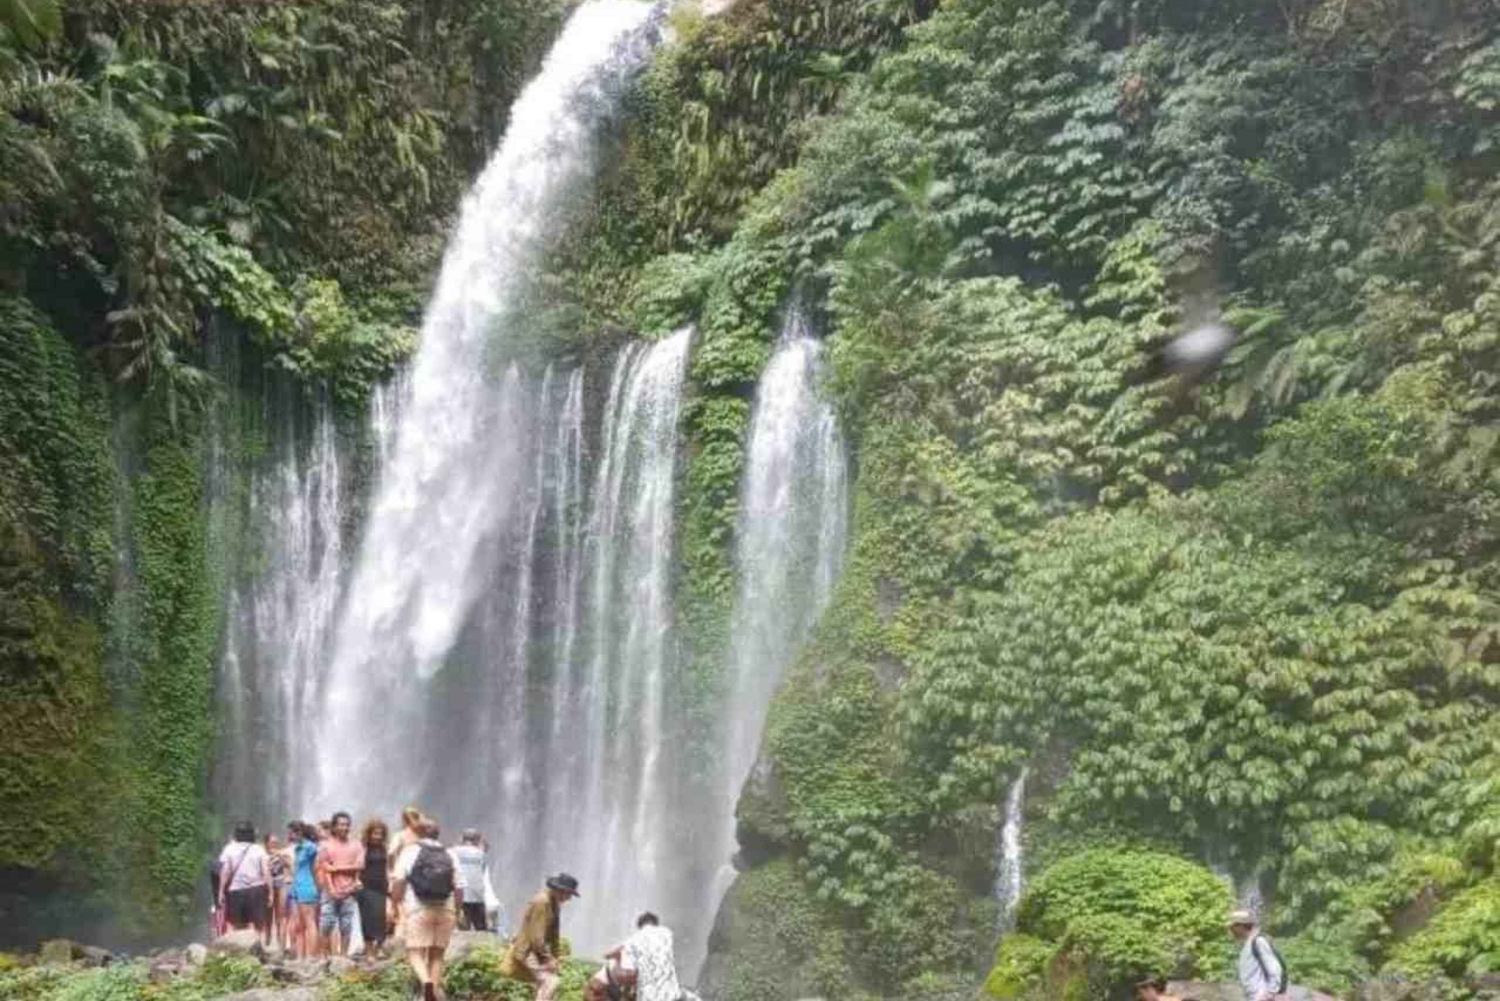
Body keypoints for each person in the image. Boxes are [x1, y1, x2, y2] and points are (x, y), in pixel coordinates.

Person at [392, 817, 458, 1001]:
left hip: (418, 909)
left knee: (414, 951)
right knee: (437, 954)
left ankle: (426, 982)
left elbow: (398, 880)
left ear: (419, 833)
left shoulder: (410, 851)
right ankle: (433, 991)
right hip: (445, 909)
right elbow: (460, 886)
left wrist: (396, 903)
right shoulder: (450, 854)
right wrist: (457, 911)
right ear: (438, 834)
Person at [504, 873, 580, 1001]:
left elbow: (555, 934)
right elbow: (536, 936)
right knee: (552, 982)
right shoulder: (542, 902)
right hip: (528, 950)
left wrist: (556, 957)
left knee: (547, 984)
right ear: (560, 890)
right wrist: (548, 958)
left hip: (537, 951)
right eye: (569, 894)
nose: (569, 898)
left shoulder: (554, 903)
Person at [317, 811, 365, 957]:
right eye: (341, 824)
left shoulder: (356, 845)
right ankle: (326, 957)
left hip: (349, 891)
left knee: (346, 926)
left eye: (347, 825)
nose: (345, 827)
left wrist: (337, 867)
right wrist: (331, 890)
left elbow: (360, 865)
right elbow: (325, 868)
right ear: (334, 826)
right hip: (330, 892)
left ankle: (343, 957)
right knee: (326, 925)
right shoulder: (326, 845)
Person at [217, 821, 272, 935]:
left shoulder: (229, 849)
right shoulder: (258, 849)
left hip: (236, 890)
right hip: (256, 889)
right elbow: (266, 872)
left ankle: (239, 948)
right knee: (257, 922)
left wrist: (221, 891)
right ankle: (257, 946)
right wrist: (271, 892)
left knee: (236, 922)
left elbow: (225, 872)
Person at [1229, 910, 1287, 1001]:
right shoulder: (1249, 943)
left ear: (1240, 925)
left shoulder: (1258, 941)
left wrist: (1269, 994)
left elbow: (1275, 969)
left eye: (1232, 926)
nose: (1230, 929)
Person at [359, 818, 392, 958]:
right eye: (375, 833)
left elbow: (390, 867)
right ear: (369, 833)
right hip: (366, 886)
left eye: (380, 834)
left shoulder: (386, 848)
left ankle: (379, 946)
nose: (377, 836)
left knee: (383, 918)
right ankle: (369, 951)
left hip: (382, 887)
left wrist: (391, 883)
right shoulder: (363, 847)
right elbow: (357, 866)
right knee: (367, 919)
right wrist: (356, 880)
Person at [290, 821, 322, 958]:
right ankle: (300, 956)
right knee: (298, 925)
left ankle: (311, 957)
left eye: (292, 832)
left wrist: (319, 888)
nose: (290, 835)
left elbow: (315, 869)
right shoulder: (297, 848)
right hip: (297, 887)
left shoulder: (311, 847)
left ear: (299, 832)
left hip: (307, 887)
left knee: (310, 922)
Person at [452, 829, 489, 931]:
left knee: (462, 927)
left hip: (460, 893)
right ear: (477, 840)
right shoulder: (481, 854)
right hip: (477, 894)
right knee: (481, 928)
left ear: (462, 839)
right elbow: (482, 870)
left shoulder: (453, 851)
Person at [266, 833, 291, 950]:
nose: (275, 844)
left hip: (281, 885)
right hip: (267, 887)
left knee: (281, 916)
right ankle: (267, 942)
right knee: (267, 917)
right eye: (272, 842)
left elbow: (289, 866)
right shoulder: (262, 855)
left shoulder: (282, 853)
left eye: (276, 842)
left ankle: (281, 946)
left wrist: (280, 856)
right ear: (267, 843)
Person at [390, 805, 423, 876]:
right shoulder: (399, 836)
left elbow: (391, 853)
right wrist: (392, 871)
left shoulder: (422, 836)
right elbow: (391, 853)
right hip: (405, 873)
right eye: (415, 818)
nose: (418, 821)